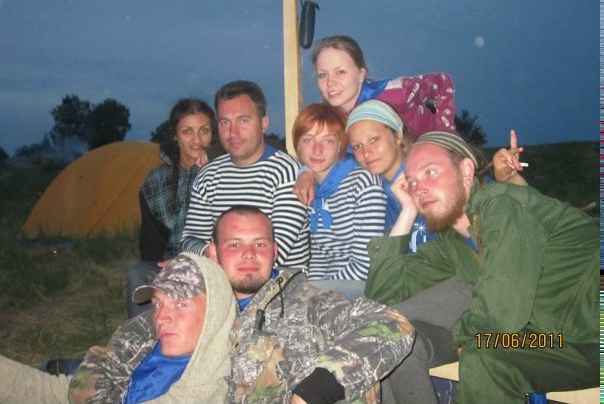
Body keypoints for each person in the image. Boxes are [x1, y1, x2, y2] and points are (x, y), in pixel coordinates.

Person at [364, 131, 599, 403]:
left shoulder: (503, 205)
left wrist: (463, 334)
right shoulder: (453, 244)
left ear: (466, 171)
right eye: (412, 182)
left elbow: (501, 311)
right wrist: (407, 211)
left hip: (590, 337)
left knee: (483, 351)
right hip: (554, 343)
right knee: (482, 349)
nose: (420, 188)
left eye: (430, 172)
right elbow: (383, 295)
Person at [205, 205, 415, 404]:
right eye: (235, 244)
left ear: (275, 251)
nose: (249, 253)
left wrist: (314, 392)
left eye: (260, 244)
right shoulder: (196, 309)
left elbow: (392, 323)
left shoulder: (310, 304)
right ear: (213, 252)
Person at [0, 254, 236, 404]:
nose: (161, 317)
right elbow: (58, 392)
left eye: (181, 304)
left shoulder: (221, 387)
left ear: (215, 310)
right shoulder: (143, 348)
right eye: (158, 303)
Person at [181, 80, 310, 267]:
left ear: (263, 124)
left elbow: (273, 254)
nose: (233, 132)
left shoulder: (289, 174)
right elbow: (189, 240)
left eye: (243, 121)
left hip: (280, 281)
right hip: (219, 276)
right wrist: (206, 252)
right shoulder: (207, 176)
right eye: (225, 122)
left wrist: (215, 255)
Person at [127, 98, 218, 318]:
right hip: (170, 265)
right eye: (187, 131)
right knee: (138, 274)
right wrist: (169, 269)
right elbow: (150, 248)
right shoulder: (155, 183)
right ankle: (145, 336)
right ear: (175, 135)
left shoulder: (226, 171)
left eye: (204, 130)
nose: (197, 140)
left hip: (213, 264)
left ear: (213, 134)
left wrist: (218, 152)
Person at [291, 103, 386, 296]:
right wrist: (312, 288)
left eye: (328, 141)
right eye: (308, 140)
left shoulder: (363, 182)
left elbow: (366, 264)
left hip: (366, 287)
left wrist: (318, 293)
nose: (317, 150)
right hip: (331, 288)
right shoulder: (311, 188)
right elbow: (320, 253)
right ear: (298, 146)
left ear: (340, 146)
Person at [312, 35, 456, 138]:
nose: (330, 82)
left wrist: (444, 139)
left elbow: (443, 82)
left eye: (340, 72)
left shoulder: (394, 92)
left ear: (361, 74)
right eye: (322, 75)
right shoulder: (326, 118)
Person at [346, 99, 435, 252]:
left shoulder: (428, 179)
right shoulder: (374, 189)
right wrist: (306, 172)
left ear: (397, 137)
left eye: (374, 140)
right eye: (357, 146)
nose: (366, 153)